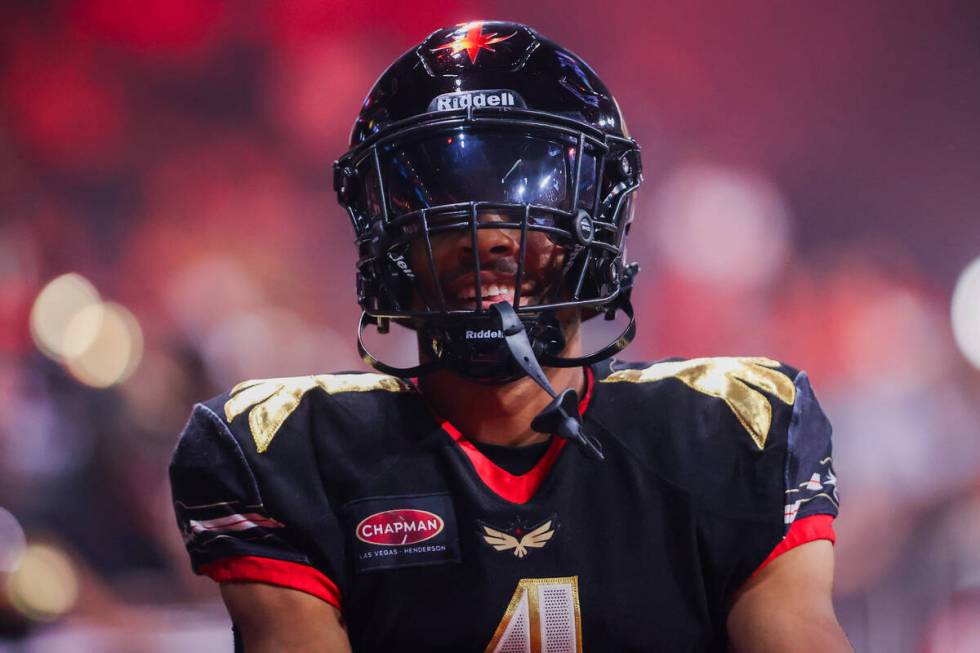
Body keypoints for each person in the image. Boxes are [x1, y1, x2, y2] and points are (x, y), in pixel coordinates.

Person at [169, 21, 852, 652]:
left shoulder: (733, 429)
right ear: (383, 234)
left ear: (600, 220)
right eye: (439, 206)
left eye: (531, 200)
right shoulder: (284, 452)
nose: (488, 236)